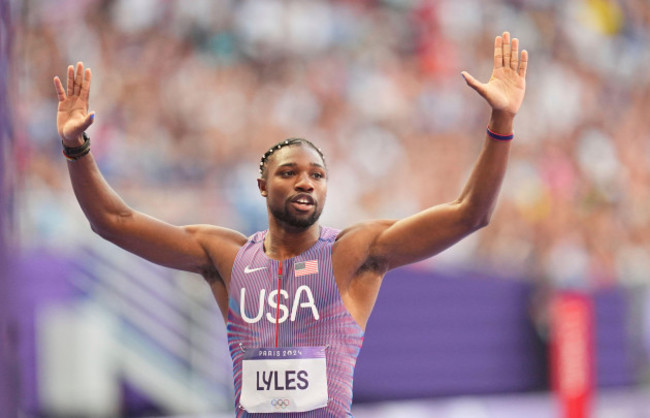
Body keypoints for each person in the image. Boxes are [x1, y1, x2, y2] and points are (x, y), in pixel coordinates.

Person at [53, 31, 528, 417]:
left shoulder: (354, 253)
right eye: (289, 173)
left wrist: (501, 121)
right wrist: (77, 148)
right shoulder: (227, 257)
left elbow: (471, 213)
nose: (306, 183)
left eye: (317, 175)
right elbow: (113, 221)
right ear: (262, 187)